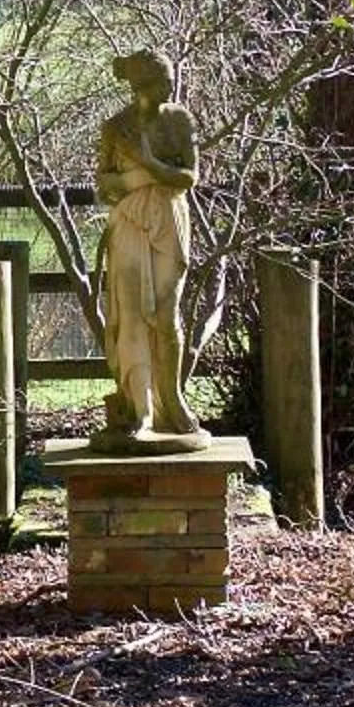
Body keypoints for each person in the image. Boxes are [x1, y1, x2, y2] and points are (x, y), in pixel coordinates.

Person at [93, 50, 208, 451]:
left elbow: (189, 177)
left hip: (169, 218)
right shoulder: (115, 127)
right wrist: (135, 181)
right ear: (141, 85)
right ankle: (140, 409)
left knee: (165, 311)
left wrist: (145, 163)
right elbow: (103, 183)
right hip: (130, 220)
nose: (170, 87)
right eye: (162, 80)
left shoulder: (180, 121)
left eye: (170, 79)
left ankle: (171, 400)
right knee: (131, 315)